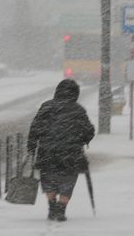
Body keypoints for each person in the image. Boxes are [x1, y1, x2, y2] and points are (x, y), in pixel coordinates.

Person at [27, 79, 95, 221]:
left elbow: (35, 128)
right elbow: (88, 130)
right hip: (71, 153)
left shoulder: (46, 106)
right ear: (75, 94)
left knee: (48, 178)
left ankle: (52, 206)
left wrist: (32, 146)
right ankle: (61, 208)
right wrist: (83, 139)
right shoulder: (78, 110)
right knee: (68, 180)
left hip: (47, 151)